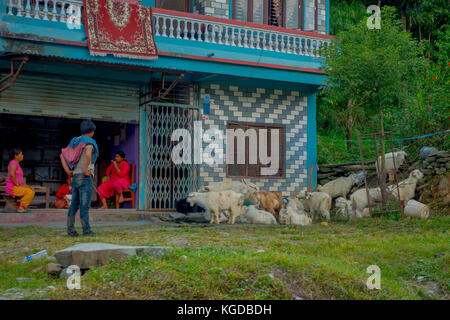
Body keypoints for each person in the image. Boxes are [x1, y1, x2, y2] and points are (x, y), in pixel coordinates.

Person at [60, 120, 99, 237]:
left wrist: (68, 171)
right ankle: (86, 231)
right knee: (84, 206)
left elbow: (62, 155)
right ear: (92, 131)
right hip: (84, 177)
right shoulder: (89, 142)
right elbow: (88, 154)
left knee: (74, 206)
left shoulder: (75, 141)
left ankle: (70, 231)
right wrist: (84, 169)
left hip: (75, 177)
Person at [6, 148, 35, 213]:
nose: (23, 156)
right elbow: (12, 175)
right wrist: (17, 184)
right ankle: (21, 208)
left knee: (31, 190)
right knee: (29, 192)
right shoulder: (13, 163)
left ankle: (22, 206)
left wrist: (28, 186)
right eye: (21, 154)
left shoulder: (16, 164)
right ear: (16, 156)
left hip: (16, 186)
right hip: (12, 188)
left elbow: (20, 181)